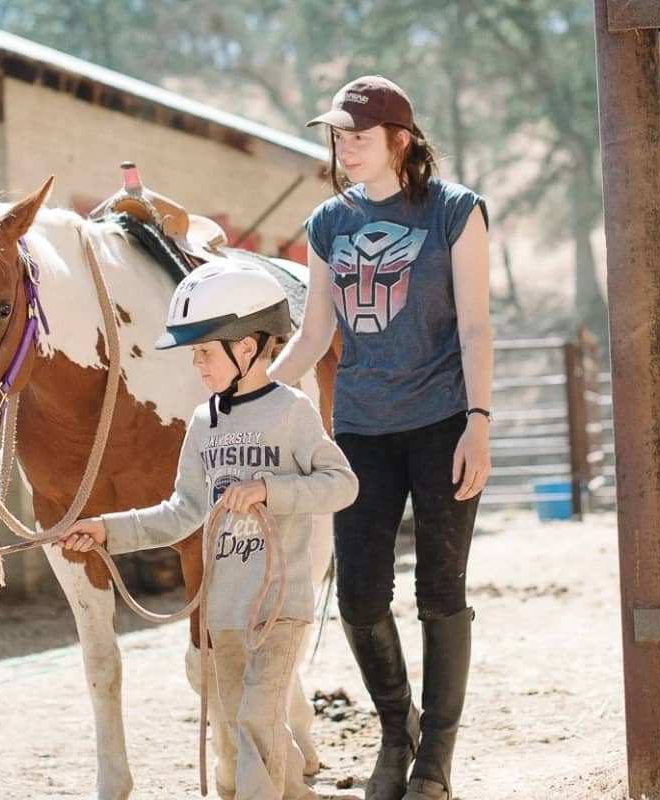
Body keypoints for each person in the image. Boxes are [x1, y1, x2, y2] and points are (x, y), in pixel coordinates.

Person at [58, 256, 359, 800]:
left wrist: (272, 490)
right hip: (223, 614)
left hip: (278, 606)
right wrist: (106, 530)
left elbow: (343, 485)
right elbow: (182, 512)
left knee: (253, 723)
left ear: (246, 346)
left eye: (203, 350)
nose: (195, 363)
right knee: (250, 732)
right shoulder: (203, 423)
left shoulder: (292, 413)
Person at [268, 75, 492, 800]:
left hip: (442, 422)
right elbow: (315, 332)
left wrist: (479, 425)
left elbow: (475, 326)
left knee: (439, 592)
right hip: (360, 428)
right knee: (360, 597)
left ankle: (436, 759)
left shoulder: (454, 210)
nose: (345, 149)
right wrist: (252, 397)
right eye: (337, 137)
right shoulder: (327, 223)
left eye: (358, 137)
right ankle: (398, 731)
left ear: (400, 139)